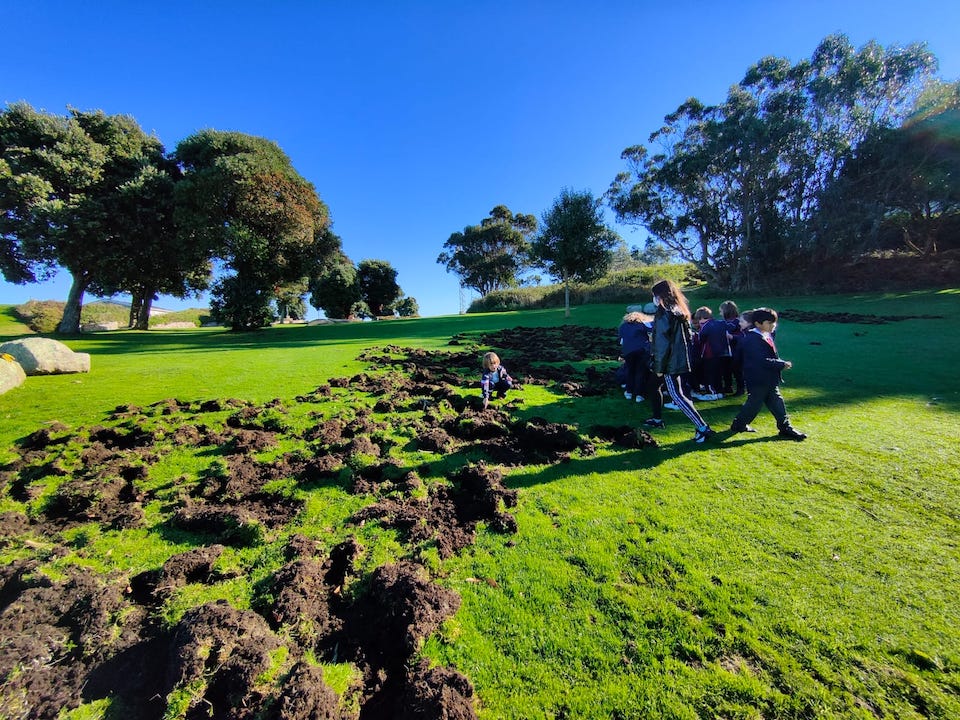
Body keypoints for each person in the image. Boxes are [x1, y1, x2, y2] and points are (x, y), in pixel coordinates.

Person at [649, 279, 715, 443]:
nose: (654, 299)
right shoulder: (679, 311)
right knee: (676, 393)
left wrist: (659, 366)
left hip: (670, 363)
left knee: (677, 396)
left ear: (660, 296)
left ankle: (702, 427)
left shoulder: (664, 314)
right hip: (679, 359)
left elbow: (662, 344)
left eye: (654, 296)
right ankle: (700, 427)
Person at [729, 308, 807, 440]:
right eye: (769, 323)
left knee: (775, 402)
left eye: (774, 322)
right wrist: (781, 364)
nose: (773, 325)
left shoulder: (765, 335)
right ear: (758, 324)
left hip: (767, 378)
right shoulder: (752, 339)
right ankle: (740, 424)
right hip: (758, 378)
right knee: (755, 404)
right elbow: (761, 360)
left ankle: (784, 427)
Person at [618, 310, 652, 403]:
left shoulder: (623, 326)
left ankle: (629, 392)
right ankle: (639, 395)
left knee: (630, 370)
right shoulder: (643, 325)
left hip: (628, 352)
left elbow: (621, 340)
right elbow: (652, 331)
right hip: (642, 351)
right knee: (640, 372)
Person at [720, 300, 744, 395]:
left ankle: (741, 388)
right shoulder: (724, 322)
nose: (720, 313)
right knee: (726, 369)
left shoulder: (737, 322)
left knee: (737, 370)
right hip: (726, 351)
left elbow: (741, 336)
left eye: (721, 311)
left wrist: (732, 337)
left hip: (736, 351)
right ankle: (728, 387)